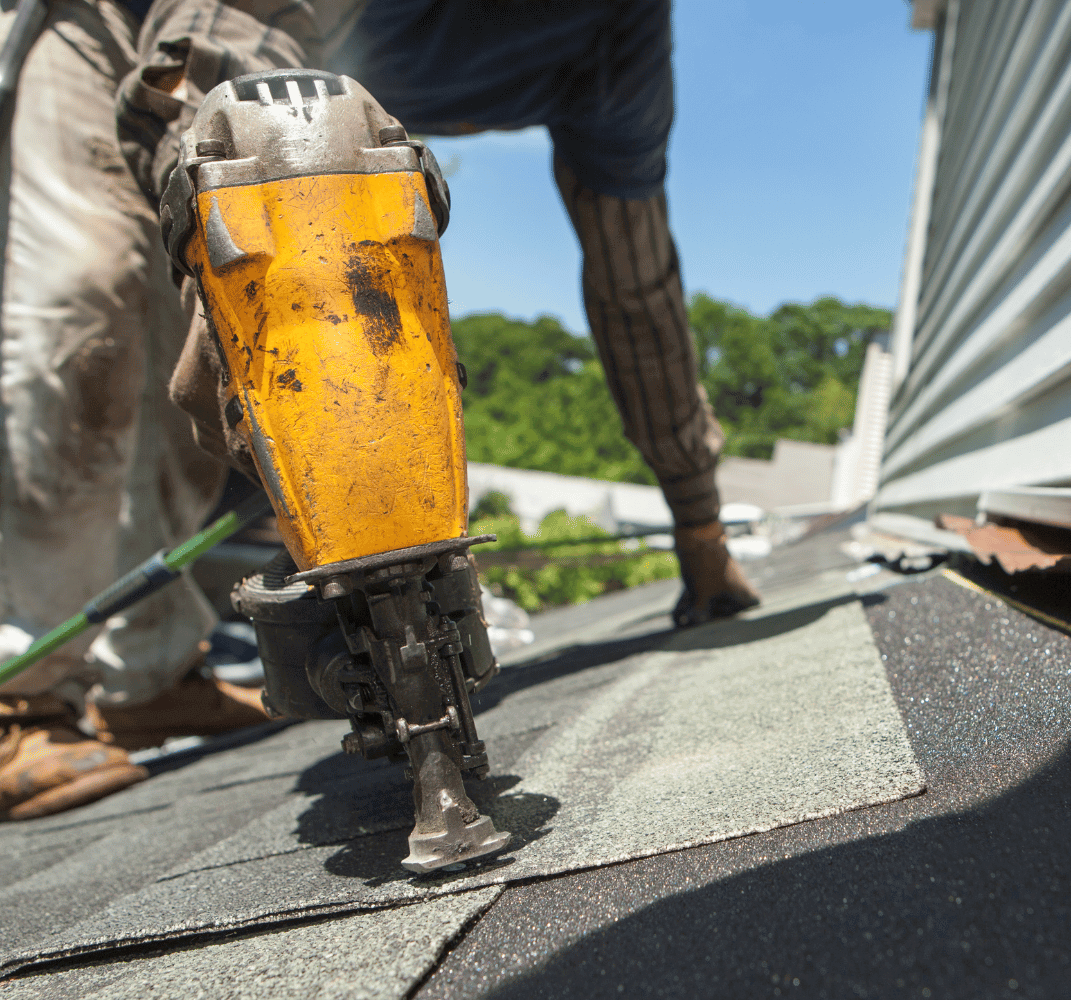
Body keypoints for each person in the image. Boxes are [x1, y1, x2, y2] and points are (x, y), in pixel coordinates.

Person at [120, 0, 762, 628]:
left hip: (399, 55)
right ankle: (65, 698)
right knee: (106, 296)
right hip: (134, 34)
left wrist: (699, 523)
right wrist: (217, 263)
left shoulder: (616, 32)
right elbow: (213, 71)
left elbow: (635, 282)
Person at [0, 0, 270, 822]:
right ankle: (23, 698)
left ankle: (150, 671)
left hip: (222, 14)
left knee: (191, 330)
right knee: (84, 303)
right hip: (69, 16)